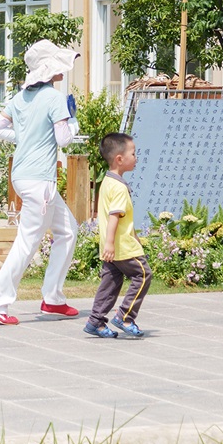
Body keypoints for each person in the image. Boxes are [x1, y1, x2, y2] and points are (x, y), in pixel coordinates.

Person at [0, 40, 84, 325]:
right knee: (27, 243)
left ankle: (53, 299)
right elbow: (63, 139)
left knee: (68, 230)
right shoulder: (53, 98)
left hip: (24, 176)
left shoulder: (20, 97)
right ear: (51, 70)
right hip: (41, 180)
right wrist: (73, 121)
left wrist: (24, 138)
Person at [85, 133, 150, 339]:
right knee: (143, 275)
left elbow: (118, 218)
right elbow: (114, 217)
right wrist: (112, 244)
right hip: (121, 247)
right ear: (119, 159)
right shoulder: (120, 187)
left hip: (111, 246)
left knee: (110, 282)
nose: (136, 157)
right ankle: (125, 316)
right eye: (133, 153)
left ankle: (96, 321)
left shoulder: (107, 182)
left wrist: (110, 244)